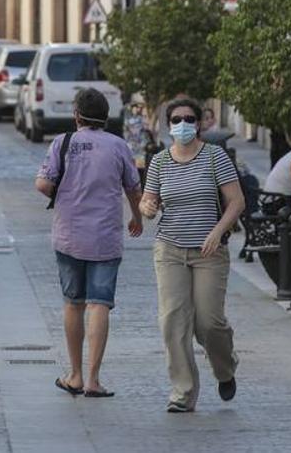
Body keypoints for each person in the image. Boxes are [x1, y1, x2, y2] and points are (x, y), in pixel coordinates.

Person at [35, 88, 143, 399]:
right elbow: (134, 189)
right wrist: (137, 218)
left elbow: (43, 183)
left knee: (73, 302)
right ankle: (94, 379)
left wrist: (62, 194)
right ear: (106, 117)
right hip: (106, 237)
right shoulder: (119, 146)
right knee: (100, 303)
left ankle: (75, 375)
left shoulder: (63, 142)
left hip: (69, 235)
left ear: (77, 115)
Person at [139, 98, 245, 413]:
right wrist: (146, 207)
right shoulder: (159, 162)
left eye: (188, 118)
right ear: (168, 124)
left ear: (198, 123)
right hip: (170, 249)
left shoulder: (215, 158)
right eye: (176, 119)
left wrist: (216, 231)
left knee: (208, 323)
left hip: (208, 252)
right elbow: (149, 201)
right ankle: (182, 393)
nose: (182, 124)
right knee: (173, 321)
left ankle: (225, 368)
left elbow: (236, 202)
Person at [123, 100, 156, 190]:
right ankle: (138, 187)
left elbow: (147, 131)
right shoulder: (130, 120)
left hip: (141, 148)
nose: (137, 109)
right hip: (133, 148)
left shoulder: (141, 119)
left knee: (141, 170)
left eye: (138, 108)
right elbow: (128, 133)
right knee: (136, 170)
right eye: (135, 107)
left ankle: (141, 187)